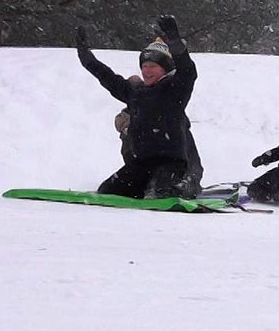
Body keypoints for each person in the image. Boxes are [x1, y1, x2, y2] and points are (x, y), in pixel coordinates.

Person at [76, 16, 204, 199]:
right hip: (143, 164)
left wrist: (175, 43)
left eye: (152, 66)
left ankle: (181, 188)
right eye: (144, 66)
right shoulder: (135, 92)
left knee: (161, 191)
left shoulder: (174, 90)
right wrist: (86, 58)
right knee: (107, 191)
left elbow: (188, 71)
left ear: (165, 69)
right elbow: (108, 78)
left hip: (171, 164)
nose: (147, 71)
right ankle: (147, 190)